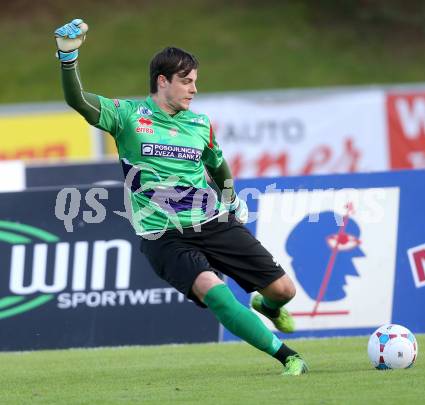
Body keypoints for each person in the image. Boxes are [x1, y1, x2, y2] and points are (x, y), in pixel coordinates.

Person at [54, 18, 308, 376]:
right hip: (163, 236)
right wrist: (68, 57)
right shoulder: (127, 116)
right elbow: (77, 100)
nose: (193, 90)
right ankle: (288, 357)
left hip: (213, 221)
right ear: (163, 81)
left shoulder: (200, 124)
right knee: (216, 294)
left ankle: (267, 305)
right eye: (186, 82)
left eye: (195, 83)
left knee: (284, 291)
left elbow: (217, 165)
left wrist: (232, 199)